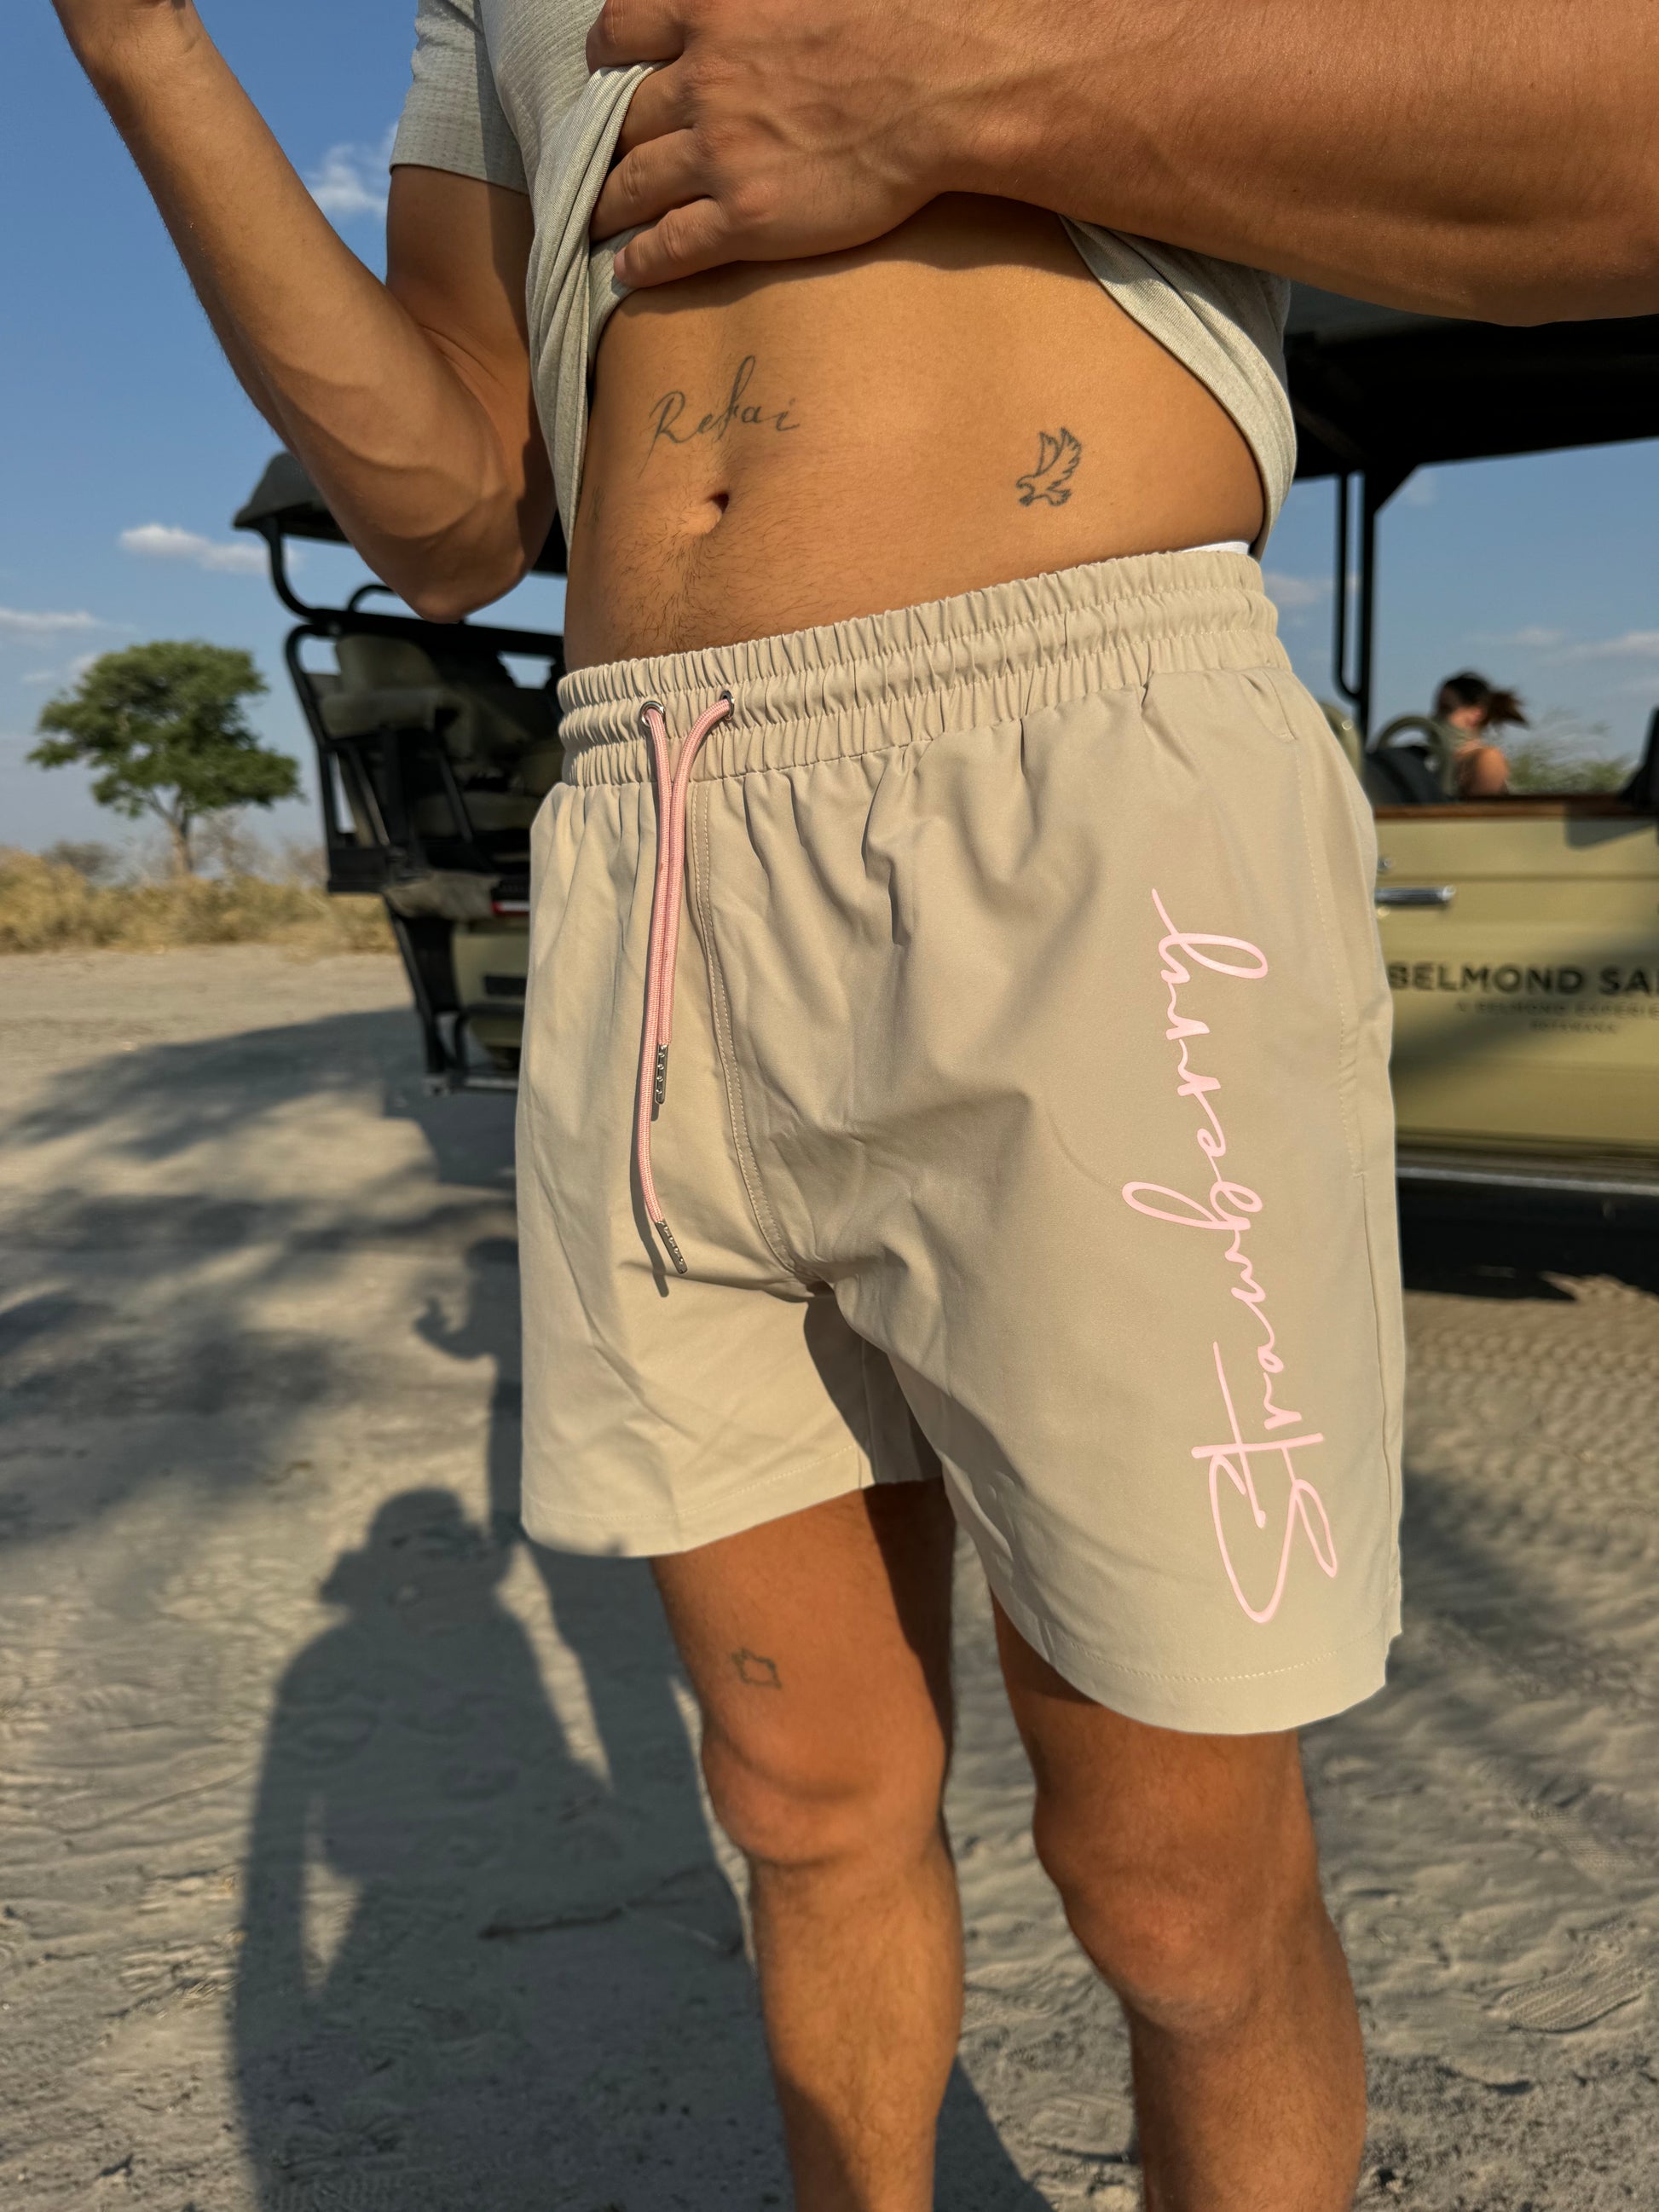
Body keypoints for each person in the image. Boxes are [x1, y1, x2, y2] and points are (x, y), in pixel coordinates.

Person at [47, 3, 1652, 2207]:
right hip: (649, 820)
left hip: (1073, 775)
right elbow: (444, 514)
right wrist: (142, 52)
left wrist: (975, 95)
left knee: (1175, 1881)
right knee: (800, 1799)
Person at [1436, 671, 1527, 799]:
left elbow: (1477, 815)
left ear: (1476, 714)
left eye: (1446, 709)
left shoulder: (1487, 758)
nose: (1436, 717)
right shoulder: (1440, 762)